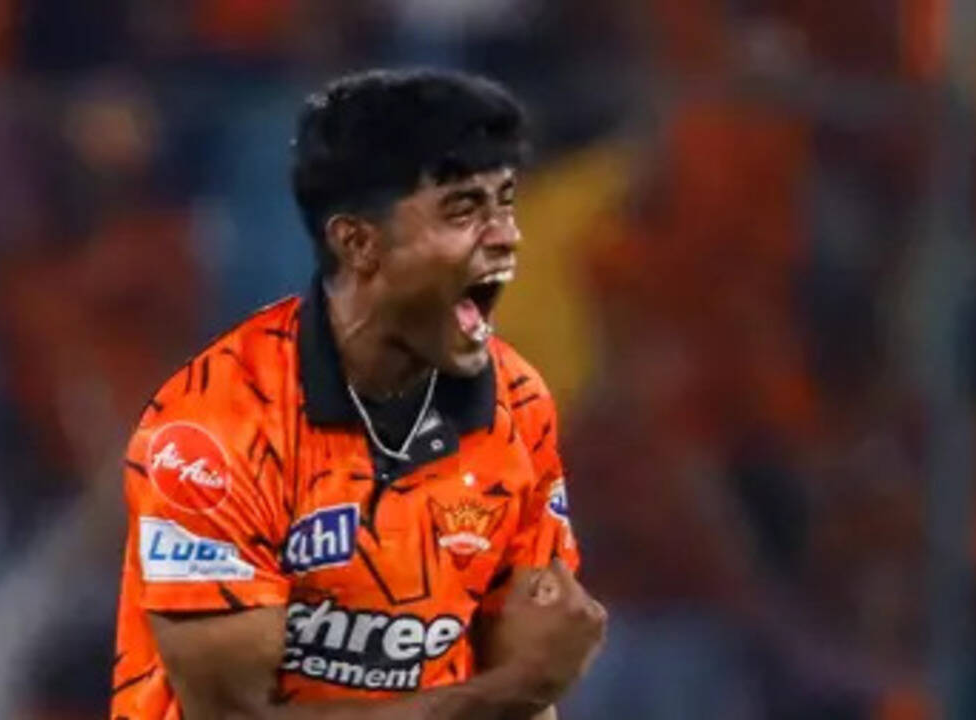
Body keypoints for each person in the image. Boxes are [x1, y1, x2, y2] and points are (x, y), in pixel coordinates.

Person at [110, 68, 607, 719]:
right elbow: (232, 715)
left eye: (505, 204)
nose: (506, 236)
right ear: (359, 242)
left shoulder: (515, 403)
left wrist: (519, 689)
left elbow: (529, 680)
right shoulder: (213, 425)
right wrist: (505, 691)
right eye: (463, 210)